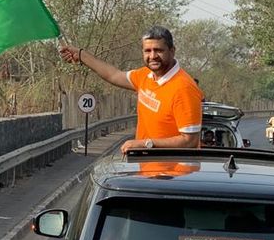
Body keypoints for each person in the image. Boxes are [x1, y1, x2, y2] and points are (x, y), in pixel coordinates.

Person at [59, 26, 203, 154]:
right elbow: (113, 75)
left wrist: (145, 144)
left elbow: (190, 141)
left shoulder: (183, 87)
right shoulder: (145, 76)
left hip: (173, 177)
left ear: (172, 51)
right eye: (148, 51)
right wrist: (81, 55)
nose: (152, 56)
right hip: (147, 170)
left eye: (158, 50)